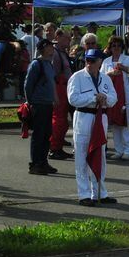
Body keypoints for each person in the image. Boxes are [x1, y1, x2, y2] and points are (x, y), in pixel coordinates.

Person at [68, 48, 118, 206]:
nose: (88, 63)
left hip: (100, 117)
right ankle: (84, 194)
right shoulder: (77, 77)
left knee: (100, 156)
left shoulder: (105, 78)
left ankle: (100, 193)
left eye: (92, 60)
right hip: (84, 117)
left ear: (99, 62)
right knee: (82, 156)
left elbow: (114, 98)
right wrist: (93, 98)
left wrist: (105, 99)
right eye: (87, 60)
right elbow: (73, 99)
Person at [101, 35, 129, 160]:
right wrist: (111, 73)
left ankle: (128, 151)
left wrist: (124, 68)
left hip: (126, 96)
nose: (116, 48)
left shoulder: (127, 59)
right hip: (112, 97)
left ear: (122, 47)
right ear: (110, 47)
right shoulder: (106, 61)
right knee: (114, 124)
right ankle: (119, 150)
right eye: (114, 45)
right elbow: (101, 77)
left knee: (125, 124)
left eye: (119, 45)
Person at [24, 38, 58, 175]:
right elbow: (28, 84)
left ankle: (43, 162)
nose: (52, 49)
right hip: (38, 104)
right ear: (44, 48)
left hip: (47, 103)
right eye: (50, 46)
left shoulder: (49, 64)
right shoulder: (36, 64)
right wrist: (30, 102)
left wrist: (55, 98)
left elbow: (51, 83)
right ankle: (35, 164)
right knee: (38, 135)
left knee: (46, 134)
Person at [48, 29, 74, 161]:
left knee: (62, 120)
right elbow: (53, 75)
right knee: (59, 120)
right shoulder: (55, 53)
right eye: (66, 38)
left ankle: (58, 147)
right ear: (58, 37)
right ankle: (54, 148)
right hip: (59, 89)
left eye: (69, 39)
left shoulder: (62, 52)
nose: (69, 41)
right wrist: (54, 95)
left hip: (65, 89)